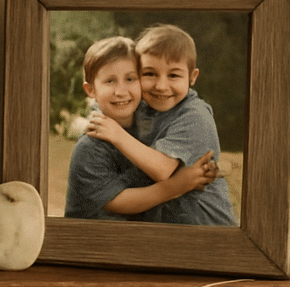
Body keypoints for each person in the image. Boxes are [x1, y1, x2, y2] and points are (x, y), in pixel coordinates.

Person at [85, 25, 238, 226]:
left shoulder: (195, 115)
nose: (161, 86)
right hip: (167, 229)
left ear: (192, 77)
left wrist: (117, 135)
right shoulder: (147, 108)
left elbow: (162, 170)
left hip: (207, 229)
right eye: (150, 74)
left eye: (173, 75)